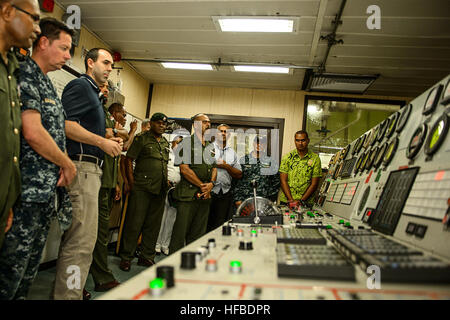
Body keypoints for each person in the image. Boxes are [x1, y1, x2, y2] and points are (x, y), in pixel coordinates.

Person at [0, 17, 75, 300]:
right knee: (10, 272)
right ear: (43, 43)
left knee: (27, 273)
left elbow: (54, 133)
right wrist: (67, 163)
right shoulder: (24, 73)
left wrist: (62, 157)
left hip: (44, 194)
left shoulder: (46, 83)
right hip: (25, 192)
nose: (68, 56)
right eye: (64, 48)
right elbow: (32, 131)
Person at [53, 48, 123, 300]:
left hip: (91, 169)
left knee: (83, 241)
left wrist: (105, 136)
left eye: (111, 65)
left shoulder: (93, 93)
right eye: (105, 63)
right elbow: (66, 124)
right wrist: (102, 143)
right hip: (81, 168)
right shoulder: (81, 86)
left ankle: (68, 292)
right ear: (90, 62)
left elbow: (80, 126)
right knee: (80, 243)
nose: (109, 68)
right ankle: (67, 296)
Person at [0, 0, 41, 250]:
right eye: (33, 18)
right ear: (7, 12)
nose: (37, 28)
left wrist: (7, 203)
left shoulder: (12, 69)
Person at [118, 113, 170, 272]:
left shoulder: (165, 142)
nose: (162, 126)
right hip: (142, 187)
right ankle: (126, 257)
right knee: (134, 223)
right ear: (152, 123)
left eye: (164, 124)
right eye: (159, 123)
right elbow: (128, 160)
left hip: (159, 189)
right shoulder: (142, 138)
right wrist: (131, 182)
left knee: (153, 225)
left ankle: (146, 256)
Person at [89, 102, 126, 292]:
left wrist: (116, 183)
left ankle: (99, 275)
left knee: (99, 234)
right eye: (123, 114)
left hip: (107, 184)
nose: (125, 118)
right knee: (83, 235)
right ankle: (81, 281)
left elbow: (116, 157)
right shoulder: (95, 116)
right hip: (94, 183)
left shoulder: (109, 122)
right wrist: (116, 133)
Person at [169, 114, 217, 254]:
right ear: (196, 124)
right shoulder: (186, 143)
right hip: (188, 195)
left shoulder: (209, 146)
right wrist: (203, 185)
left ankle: (192, 265)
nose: (208, 125)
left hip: (204, 196)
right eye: (205, 122)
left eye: (209, 123)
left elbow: (214, 168)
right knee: (180, 233)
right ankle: (173, 265)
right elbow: (184, 169)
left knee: (197, 235)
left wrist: (211, 184)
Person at [206, 124, 242, 232]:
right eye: (221, 131)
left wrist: (225, 165)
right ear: (216, 133)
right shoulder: (208, 149)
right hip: (209, 191)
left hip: (225, 193)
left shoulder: (233, 153)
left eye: (225, 132)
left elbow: (239, 174)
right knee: (205, 223)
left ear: (229, 135)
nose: (223, 133)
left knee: (220, 225)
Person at [234, 136, 280, 209]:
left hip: (263, 201)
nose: (259, 145)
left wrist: (269, 199)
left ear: (265, 145)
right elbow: (237, 180)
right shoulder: (243, 160)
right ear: (253, 143)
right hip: (245, 200)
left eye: (262, 143)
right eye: (257, 142)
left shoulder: (271, 162)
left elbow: (276, 182)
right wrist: (238, 199)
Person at [155, 135, 183, 255]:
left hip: (176, 190)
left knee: (171, 219)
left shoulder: (183, 157)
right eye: (177, 143)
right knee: (161, 217)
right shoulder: (167, 154)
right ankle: (156, 243)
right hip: (164, 187)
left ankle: (165, 244)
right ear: (173, 143)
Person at [279, 130, 322, 208]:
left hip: (306, 202)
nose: (300, 143)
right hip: (287, 201)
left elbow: (314, 184)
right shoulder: (287, 157)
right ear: (294, 141)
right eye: (297, 140)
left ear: (308, 141)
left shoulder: (315, 159)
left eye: (303, 140)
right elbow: (283, 181)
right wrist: (291, 200)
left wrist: (301, 201)